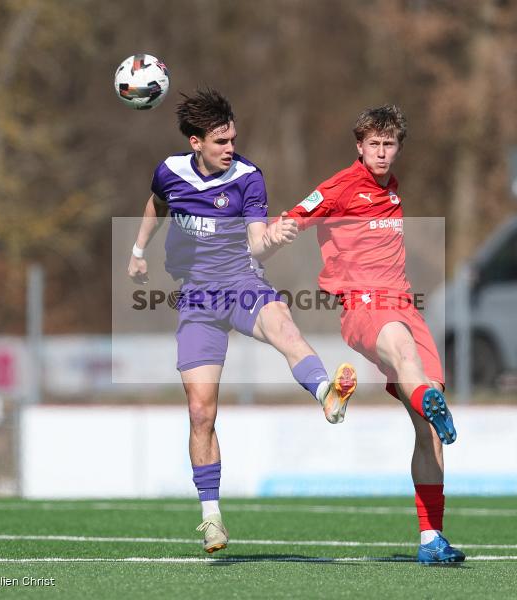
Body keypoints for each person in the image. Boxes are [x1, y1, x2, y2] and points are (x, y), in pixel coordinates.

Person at [127, 87, 357, 554]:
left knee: (284, 326)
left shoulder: (248, 178)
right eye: (220, 141)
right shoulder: (169, 172)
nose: (230, 147)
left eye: (232, 138)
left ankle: (327, 394)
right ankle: (211, 518)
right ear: (195, 143)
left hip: (241, 283)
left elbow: (255, 242)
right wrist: (137, 250)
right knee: (200, 412)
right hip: (196, 298)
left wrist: (275, 236)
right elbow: (157, 203)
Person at [279, 104, 465, 564]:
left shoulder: (391, 189)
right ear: (359, 146)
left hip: (404, 304)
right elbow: (294, 218)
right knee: (403, 353)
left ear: (398, 148)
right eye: (374, 145)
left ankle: (431, 540)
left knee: (427, 430)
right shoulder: (341, 187)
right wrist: (265, 239)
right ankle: (427, 397)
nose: (382, 152)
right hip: (364, 305)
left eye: (389, 144)